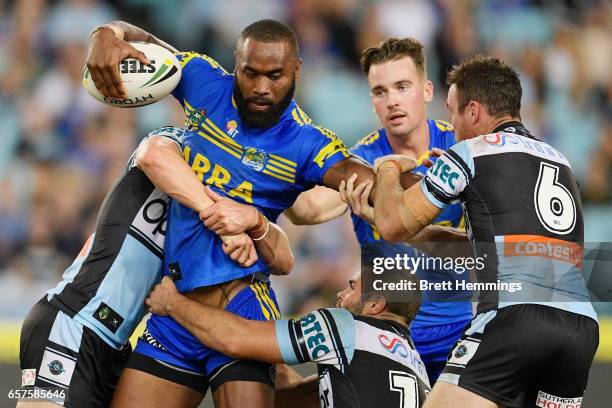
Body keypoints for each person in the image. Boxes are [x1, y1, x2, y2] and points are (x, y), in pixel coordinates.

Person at [86, 19, 420, 408]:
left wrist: (404, 185)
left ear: (297, 70)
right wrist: (104, 36)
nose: (262, 87)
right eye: (251, 73)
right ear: (236, 64)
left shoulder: (308, 143)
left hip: (240, 304)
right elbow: (141, 41)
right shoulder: (202, 79)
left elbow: (367, 182)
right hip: (175, 309)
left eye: (275, 76)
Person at [371, 55, 599, 408]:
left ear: (474, 111)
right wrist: (418, 229)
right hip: (580, 329)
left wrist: (387, 168)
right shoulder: (561, 161)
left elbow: (389, 224)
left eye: (453, 112)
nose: (452, 124)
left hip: (514, 318)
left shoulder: (470, 151)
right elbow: (491, 248)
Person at [18, 126, 294, 408]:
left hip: (114, 344)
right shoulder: (179, 142)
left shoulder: (238, 189)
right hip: (75, 320)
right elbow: (153, 156)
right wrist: (220, 220)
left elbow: (302, 219)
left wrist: (338, 182)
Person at [285, 38, 472, 383]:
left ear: (427, 90)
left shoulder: (462, 152)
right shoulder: (359, 162)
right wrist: (266, 169)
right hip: (387, 335)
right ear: (372, 101)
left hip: (458, 328)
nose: (392, 101)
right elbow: (309, 210)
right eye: (380, 91)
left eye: (402, 87)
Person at [145, 266, 430, 408]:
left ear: (375, 304)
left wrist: (173, 303)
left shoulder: (346, 327)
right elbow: (302, 396)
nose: (341, 295)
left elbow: (235, 338)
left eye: (352, 287)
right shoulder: (416, 365)